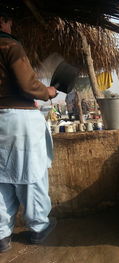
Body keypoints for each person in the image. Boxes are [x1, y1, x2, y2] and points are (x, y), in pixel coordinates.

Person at [0, 9, 57, 253]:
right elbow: (27, 84)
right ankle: (38, 228)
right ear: (4, 20)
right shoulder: (8, 45)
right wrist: (48, 92)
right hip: (18, 119)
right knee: (31, 175)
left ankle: (2, 235)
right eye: (9, 20)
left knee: (2, 179)